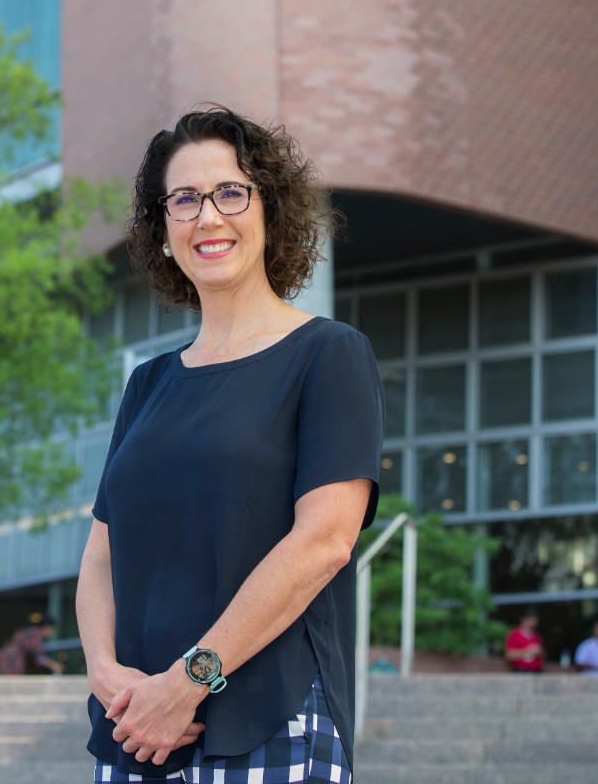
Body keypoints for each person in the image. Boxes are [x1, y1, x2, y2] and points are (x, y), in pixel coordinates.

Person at [75, 105, 383, 783]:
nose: (207, 217)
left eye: (231, 192)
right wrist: (105, 672)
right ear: (163, 230)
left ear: (269, 209)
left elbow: (325, 541)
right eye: (184, 199)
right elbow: (100, 554)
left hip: (268, 723)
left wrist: (190, 679)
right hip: (136, 730)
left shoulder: (328, 355)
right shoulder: (148, 384)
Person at [0, 615, 65, 675]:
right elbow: (39, 658)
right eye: (52, 630)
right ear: (47, 627)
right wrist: (54, 665)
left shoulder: (32, 630)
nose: (52, 632)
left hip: (7, 654)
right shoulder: (37, 634)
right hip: (13, 657)